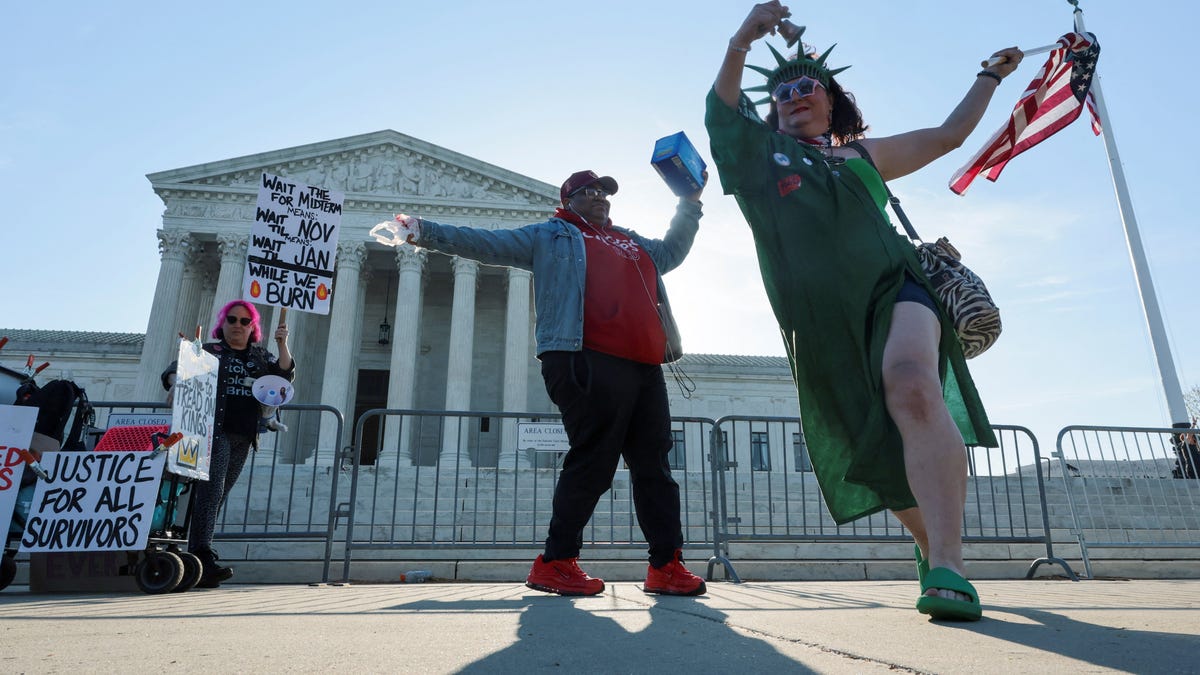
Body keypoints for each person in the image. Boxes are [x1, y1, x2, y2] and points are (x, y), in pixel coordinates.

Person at [706, 1, 1024, 620]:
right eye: (783, 92)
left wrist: (990, 74)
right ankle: (932, 548)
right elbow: (721, 111)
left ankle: (952, 566)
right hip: (820, 320)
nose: (795, 95)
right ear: (773, 109)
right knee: (864, 444)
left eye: (808, 87)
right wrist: (743, 38)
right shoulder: (755, 159)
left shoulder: (864, 156)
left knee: (911, 384)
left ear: (830, 101)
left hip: (894, 287)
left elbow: (948, 136)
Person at [371, 169, 708, 596]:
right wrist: (422, 230)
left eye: (605, 192)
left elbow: (673, 252)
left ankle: (665, 564)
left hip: (644, 364)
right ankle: (555, 561)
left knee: (655, 467)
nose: (600, 197)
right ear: (568, 200)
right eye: (589, 192)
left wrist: (690, 204)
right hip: (586, 356)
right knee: (594, 463)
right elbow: (486, 244)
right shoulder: (552, 236)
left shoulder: (630, 239)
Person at [162, 300, 294, 588]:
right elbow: (177, 368)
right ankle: (202, 554)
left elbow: (282, 377)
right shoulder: (209, 351)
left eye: (245, 321)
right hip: (212, 430)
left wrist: (283, 343)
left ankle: (198, 554)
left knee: (218, 494)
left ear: (253, 327)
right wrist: (177, 382)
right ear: (222, 324)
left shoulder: (259, 357)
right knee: (213, 489)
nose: (237, 325)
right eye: (232, 319)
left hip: (244, 434)